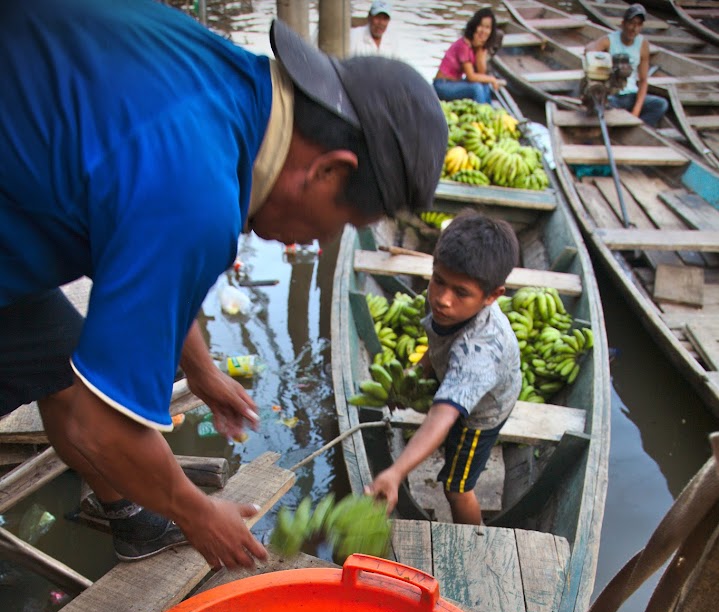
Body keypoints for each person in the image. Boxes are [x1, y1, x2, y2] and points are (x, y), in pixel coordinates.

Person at [0, 0, 447, 573]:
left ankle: (134, 522)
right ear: (329, 170)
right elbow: (101, 423)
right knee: (90, 404)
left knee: (64, 369)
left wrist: (202, 371)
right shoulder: (198, 197)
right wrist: (194, 510)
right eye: (340, 226)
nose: (316, 243)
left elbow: (149, 240)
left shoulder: (226, 81)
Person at [367, 212, 521, 526]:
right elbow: (436, 341)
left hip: (484, 412)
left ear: (493, 296)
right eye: (438, 280)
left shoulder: (479, 350)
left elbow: (442, 415)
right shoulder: (439, 302)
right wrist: (414, 376)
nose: (442, 299)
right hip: (457, 380)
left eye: (461, 292)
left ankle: (474, 541)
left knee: (457, 487)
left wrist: (396, 472)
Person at [584, 4, 668, 128]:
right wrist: (592, 49)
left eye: (638, 25)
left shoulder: (643, 44)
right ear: (623, 23)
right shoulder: (609, 40)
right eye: (631, 23)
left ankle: (640, 129)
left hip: (631, 95)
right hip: (612, 97)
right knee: (600, 108)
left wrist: (636, 112)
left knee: (661, 104)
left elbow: (644, 81)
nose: (634, 29)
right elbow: (590, 50)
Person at [433, 8, 502, 105]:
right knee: (476, 88)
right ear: (474, 26)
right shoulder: (464, 45)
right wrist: (493, 79)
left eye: (487, 27)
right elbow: (471, 77)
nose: (484, 31)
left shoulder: (476, 46)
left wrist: (480, 50)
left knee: (484, 84)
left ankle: (489, 111)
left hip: (455, 83)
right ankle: (482, 115)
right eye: (481, 26)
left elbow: (481, 73)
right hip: (442, 85)